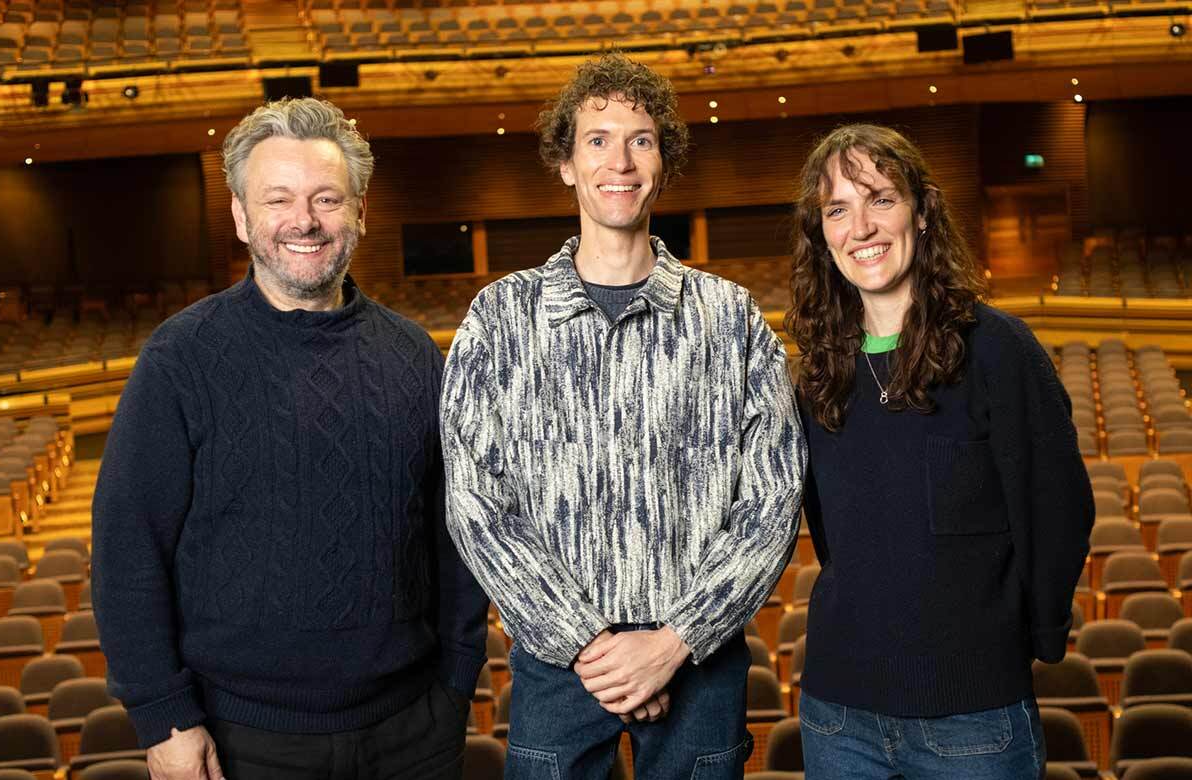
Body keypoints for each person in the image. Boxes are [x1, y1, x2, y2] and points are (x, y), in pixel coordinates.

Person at [92, 97, 488, 780]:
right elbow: (128, 550)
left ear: (360, 212)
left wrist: (454, 685)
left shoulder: (415, 355)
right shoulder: (180, 359)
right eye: (278, 199)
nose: (304, 221)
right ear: (243, 218)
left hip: (411, 734)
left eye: (326, 199)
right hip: (240, 740)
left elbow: (457, 540)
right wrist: (165, 718)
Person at [440, 52, 807, 780]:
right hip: (557, 669)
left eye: (641, 139)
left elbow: (772, 500)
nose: (621, 160)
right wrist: (592, 647)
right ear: (567, 164)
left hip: (699, 667)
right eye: (598, 139)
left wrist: (672, 642)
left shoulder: (730, 319)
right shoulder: (502, 318)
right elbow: (475, 502)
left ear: (664, 160)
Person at [786, 123, 1093, 779]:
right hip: (838, 716)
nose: (860, 227)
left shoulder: (997, 349)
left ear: (922, 213)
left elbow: (1057, 507)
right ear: (823, 234)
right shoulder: (817, 374)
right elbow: (830, 534)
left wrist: (1031, 638)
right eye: (838, 209)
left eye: (881, 199)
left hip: (972, 713)